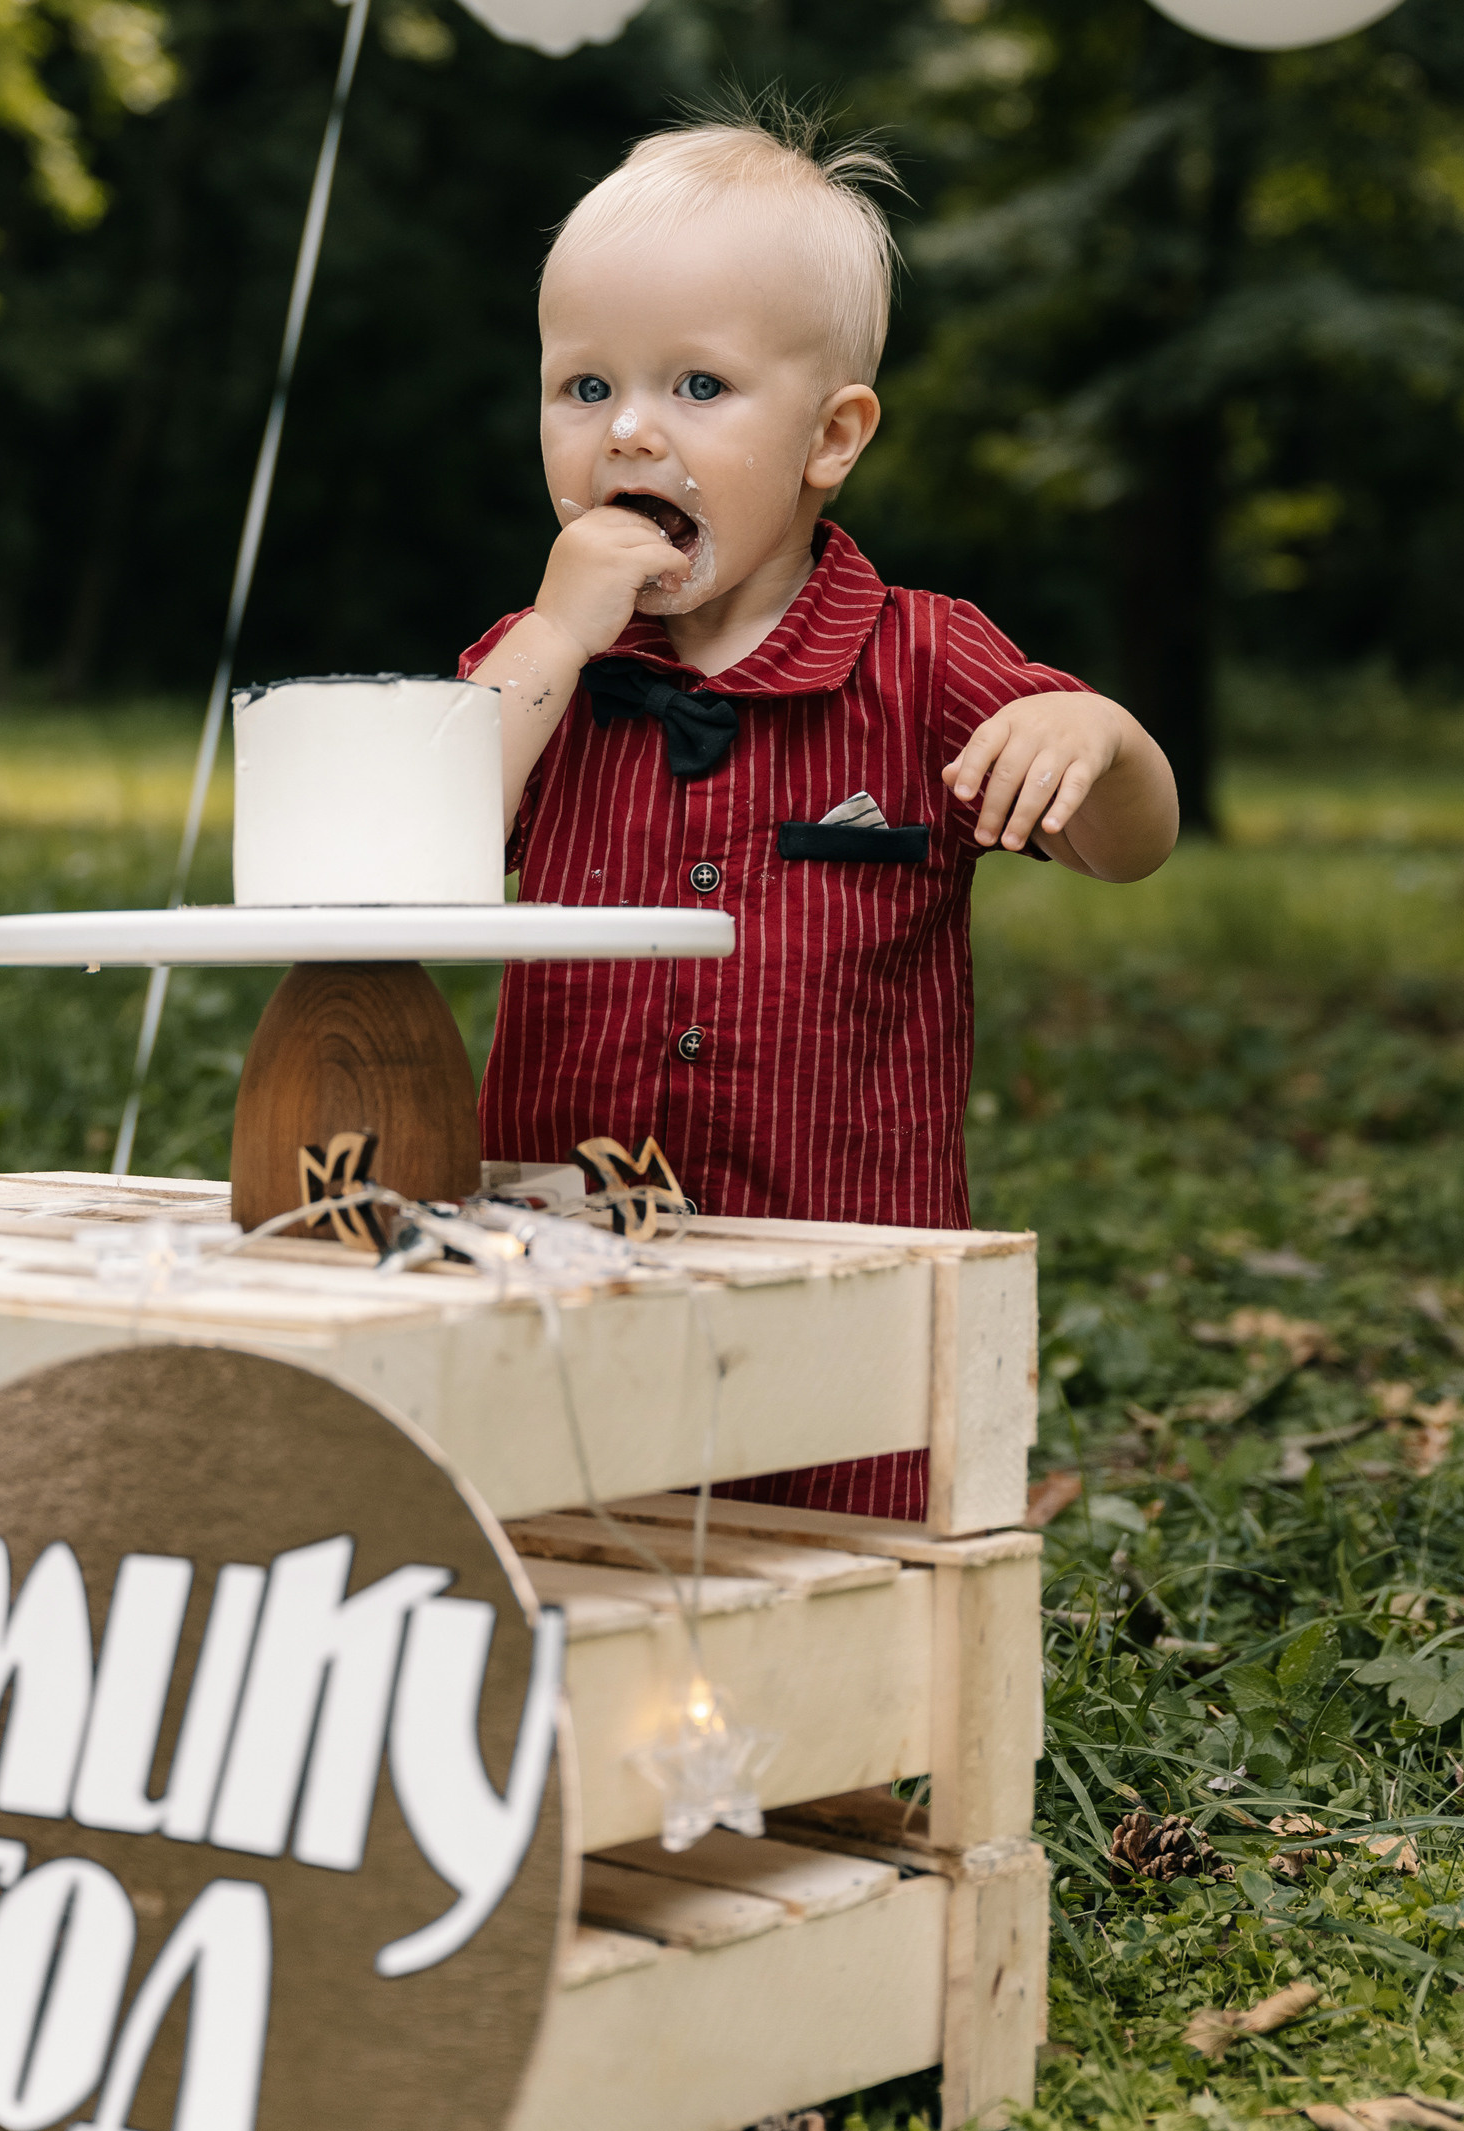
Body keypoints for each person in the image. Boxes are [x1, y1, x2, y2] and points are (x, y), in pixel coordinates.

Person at [460, 105, 1177, 1516]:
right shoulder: (535, 668)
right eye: (583, 388)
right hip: (563, 1264)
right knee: (568, 1533)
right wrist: (550, 641)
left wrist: (1097, 733)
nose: (631, 431)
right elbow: (409, 839)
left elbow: (1124, 848)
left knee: (828, 1560)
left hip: (843, 1282)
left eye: (698, 388)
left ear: (829, 436)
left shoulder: (923, 661)